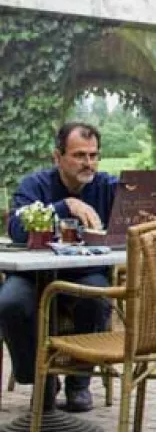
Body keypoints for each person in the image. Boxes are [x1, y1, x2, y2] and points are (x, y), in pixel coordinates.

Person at [0, 122, 118, 413]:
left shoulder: (106, 187)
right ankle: (41, 379)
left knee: (97, 295)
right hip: (32, 276)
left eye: (93, 155)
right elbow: (16, 229)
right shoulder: (35, 185)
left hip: (83, 274)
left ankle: (78, 383)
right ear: (57, 157)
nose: (88, 163)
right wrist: (65, 206)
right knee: (10, 302)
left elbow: (137, 207)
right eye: (79, 155)